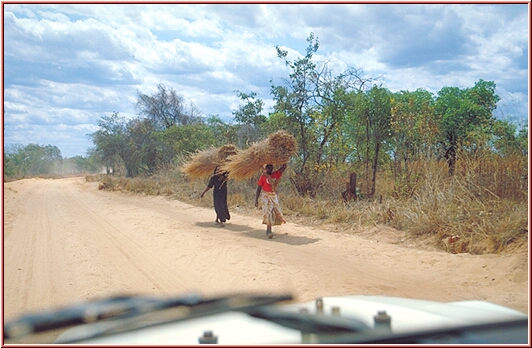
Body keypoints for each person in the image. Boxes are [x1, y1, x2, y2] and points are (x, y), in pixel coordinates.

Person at [255, 163, 287, 238]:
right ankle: (268, 230)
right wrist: (256, 199)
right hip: (266, 196)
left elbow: (283, 168)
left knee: (276, 211)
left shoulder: (275, 175)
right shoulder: (263, 177)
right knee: (267, 212)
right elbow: (259, 188)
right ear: (265, 168)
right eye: (268, 167)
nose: (270, 169)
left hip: (273, 196)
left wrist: (284, 161)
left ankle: (272, 227)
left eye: (271, 167)